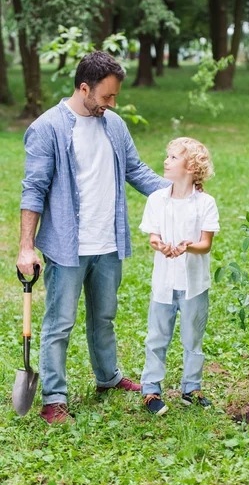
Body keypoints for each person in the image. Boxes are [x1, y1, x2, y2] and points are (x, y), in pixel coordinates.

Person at [16, 51, 170, 424]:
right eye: (106, 97)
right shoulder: (48, 127)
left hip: (109, 242)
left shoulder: (113, 124)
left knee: (104, 316)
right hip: (68, 247)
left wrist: (178, 193)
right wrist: (25, 246)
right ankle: (54, 398)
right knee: (59, 323)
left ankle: (107, 377)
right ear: (84, 88)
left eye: (115, 97)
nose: (111, 104)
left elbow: (136, 170)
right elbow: (33, 189)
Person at [139, 137, 219, 416]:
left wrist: (187, 246)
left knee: (192, 337)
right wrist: (160, 245)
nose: (166, 161)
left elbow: (206, 243)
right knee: (157, 336)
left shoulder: (205, 203)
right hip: (163, 283)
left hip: (194, 285)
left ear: (191, 167)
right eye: (167, 155)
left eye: (173, 157)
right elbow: (153, 236)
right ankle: (150, 390)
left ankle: (191, 388)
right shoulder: (156, 200)